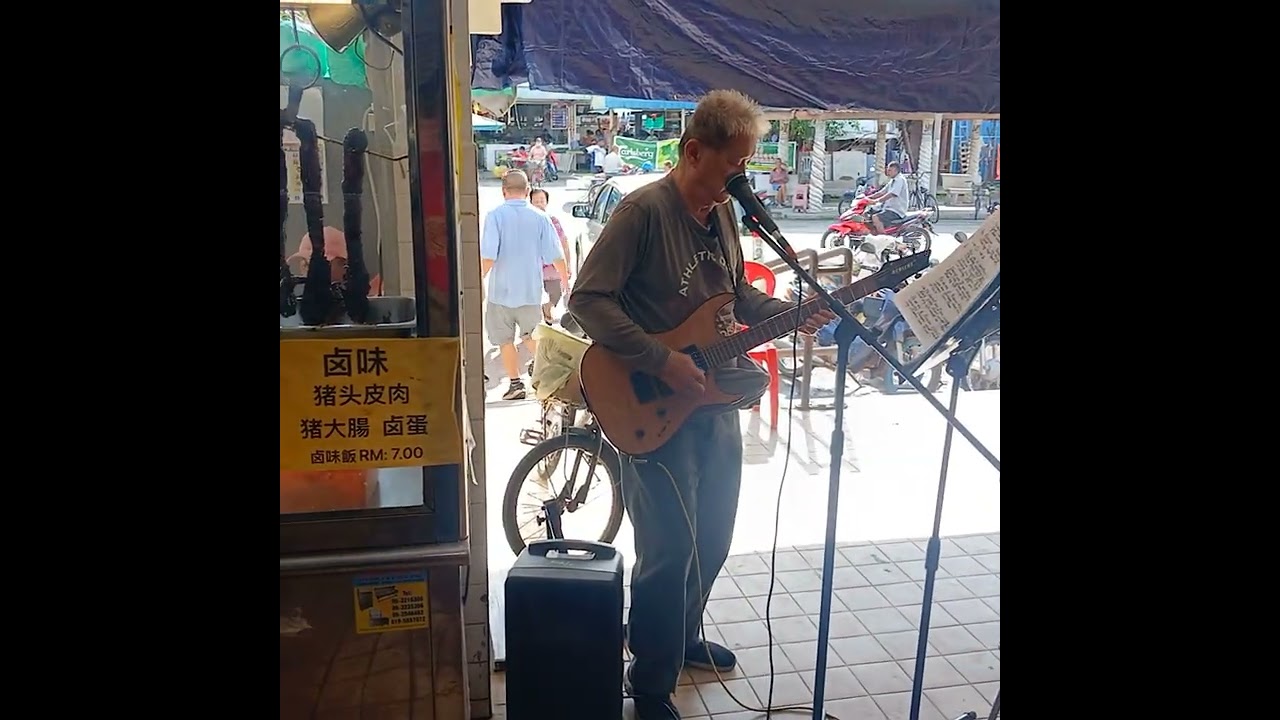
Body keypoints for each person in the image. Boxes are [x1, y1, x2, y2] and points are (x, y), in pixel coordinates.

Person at [568, 89, 835, 720]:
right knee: (667, 551)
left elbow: (734, 297)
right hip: (650, 408)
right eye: (733, 166)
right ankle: (650, 683)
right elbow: (588, 299)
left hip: (713, 405)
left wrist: (790, 315)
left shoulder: (722, 216)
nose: (740, 179)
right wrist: (662, 360)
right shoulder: (643, 213)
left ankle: (681, 637)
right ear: (694, 151)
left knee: (712, 539)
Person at [481, 170, 569, 401]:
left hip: (500, 293)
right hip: (531, 292)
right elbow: (555, 255)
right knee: (531, 337)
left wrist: (478, 279)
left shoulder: (495, 216)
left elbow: (488, 256)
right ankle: (553, 373)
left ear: (503, 191)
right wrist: (566, 281)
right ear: (528, 191)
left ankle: (515, 383)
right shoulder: (541, 217)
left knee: (505, 340)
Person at [529, 187, 572, 323]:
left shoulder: (553, 221)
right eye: (536, 201)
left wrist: (568, 264)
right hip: (532, 267)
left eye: (542, 200)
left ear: (547, 202)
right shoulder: (526, 221)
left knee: (556, 293)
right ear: (530, 202)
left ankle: (548, 308)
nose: (539, 204)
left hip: (551, 267)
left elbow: (563, 242)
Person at [863, 160, 910, 233]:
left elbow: (892, 194)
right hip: (887, 207)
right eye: (888, 170)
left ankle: (883, 239)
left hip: (896, 210)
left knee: (876, 218)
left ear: (896, 170)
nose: (888, 172)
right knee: (867, 212)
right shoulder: (892, 181)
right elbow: (882, 192)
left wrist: (877, 200)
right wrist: (867, 198)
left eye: (890, 170)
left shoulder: (900, 180)